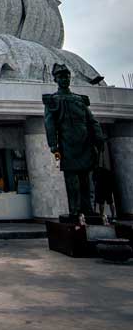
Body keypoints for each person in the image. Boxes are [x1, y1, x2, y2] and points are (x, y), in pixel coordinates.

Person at [43, 63, 105, 216]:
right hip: (67, 143)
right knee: (72, 180)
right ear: (56, 79)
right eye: (61, 77)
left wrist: (98, 137)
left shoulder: (79, 99)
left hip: (84, 142)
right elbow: (49, 123)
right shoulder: (53, 100)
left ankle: (88, 209)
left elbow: (91, 120)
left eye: (67, 76)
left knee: (86, 179)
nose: (65, 79)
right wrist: (53, 144)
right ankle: (75, 209)